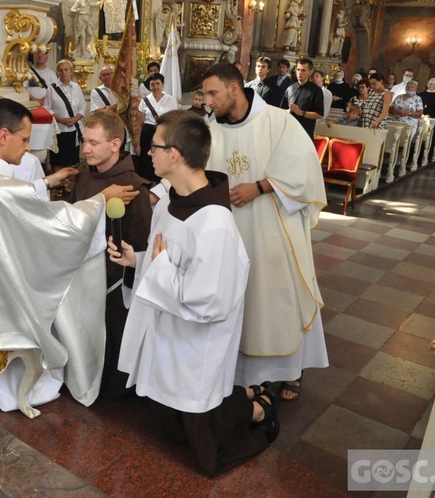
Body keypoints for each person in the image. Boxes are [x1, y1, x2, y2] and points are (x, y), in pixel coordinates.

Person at [0, 98, 138, 412]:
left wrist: (46, 181)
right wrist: (101, 199)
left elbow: (7, 202)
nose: (28, 148)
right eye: (25, 139)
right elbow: (50, 226)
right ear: (4, 136)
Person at [108, 109, 279, 476]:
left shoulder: (215, 224)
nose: (147, 153)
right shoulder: (171, 202)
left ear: (175, 154)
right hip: (165, 335)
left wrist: (161, 268)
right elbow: (163, 259)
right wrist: (137, 261)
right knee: (167, 418)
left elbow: (208, 302)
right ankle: (245, 395)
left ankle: (260, 409)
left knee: (201, 438)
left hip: (194, 345)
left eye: (153, 146)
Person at [202, 63, 328, 402]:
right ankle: (246, 375)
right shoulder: (211, 128)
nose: (207, 101)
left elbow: (302, 168)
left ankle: (292, 370)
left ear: (233, 89)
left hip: (272, 228)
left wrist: (258, 187)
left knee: (278, 299)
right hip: (230, 230)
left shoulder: (278, 121)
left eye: (213, 93)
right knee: (243, 299)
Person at [68, 110, 152, 398]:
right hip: (79, 277)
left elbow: (139, 242)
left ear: (115, 144)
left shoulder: (133, 187)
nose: (86, 149)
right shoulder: (84, 178)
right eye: (84, 141)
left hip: (112, 284)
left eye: (93, 143)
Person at [137, 73, 179, 182]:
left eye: (157, 84)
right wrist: (137, 144)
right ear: (149, 86)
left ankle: (162, 183)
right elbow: (140, 123)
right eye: (152, 84)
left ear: (163, 84)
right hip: (147, 134)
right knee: (147, 159)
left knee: (162, 157)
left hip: (163, 133)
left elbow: (174, 121)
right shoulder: (144, 101)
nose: (155, 87)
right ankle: (147, 183)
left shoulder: (171, 100)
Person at [45, 59, 86, 170]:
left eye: (66, 70)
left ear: (71, 71)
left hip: (73, 130)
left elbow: (82, 106)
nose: (63, 73)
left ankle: (68, 185)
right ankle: (59, 184)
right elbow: (47, 108)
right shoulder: (52, 89)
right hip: (58, 130)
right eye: (60, 70)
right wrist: (61, 119)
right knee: (58, 160)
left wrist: (75, 119)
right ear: (57, 72)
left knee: (71, 161)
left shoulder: (76, 87)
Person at [280, 58, 324, 139]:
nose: (300, 73)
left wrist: (301, 113)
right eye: (298, 70)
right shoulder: (290, 88)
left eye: (303, 70)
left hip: (305, 133)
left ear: (310, 72)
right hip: (288, 132)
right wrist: (288, 111)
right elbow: (281, 110)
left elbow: (320, 115)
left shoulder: (316, 90)